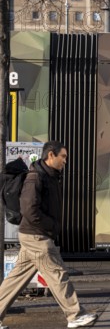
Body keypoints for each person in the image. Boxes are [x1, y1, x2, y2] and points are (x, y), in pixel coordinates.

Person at [0, 141, 98, 329]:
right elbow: (29, 209)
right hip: (37, 236)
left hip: (32, 235)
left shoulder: (49, 176)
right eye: (63, 156)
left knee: (15, 280)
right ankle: (75, 315)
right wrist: (50, 225)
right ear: (51, 155)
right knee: (57, 274)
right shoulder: (36, 177)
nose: (65, 161)